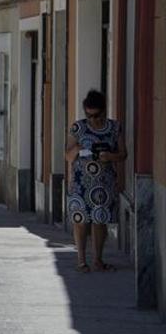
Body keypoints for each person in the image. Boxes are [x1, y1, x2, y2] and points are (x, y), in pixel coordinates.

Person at [64, 90, 126, 273]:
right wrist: (77, 147)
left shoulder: (115, 128)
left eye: (96, 115)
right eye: (88, 115)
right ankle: (81, 261)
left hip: (103, 183)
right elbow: (68, 156)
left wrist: (110, 156)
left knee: (100, 221)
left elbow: (124, 154)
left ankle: (98, 260)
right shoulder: (78, 128)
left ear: (104, 111)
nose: (92, 119)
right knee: (80, 221)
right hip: (80, 183)